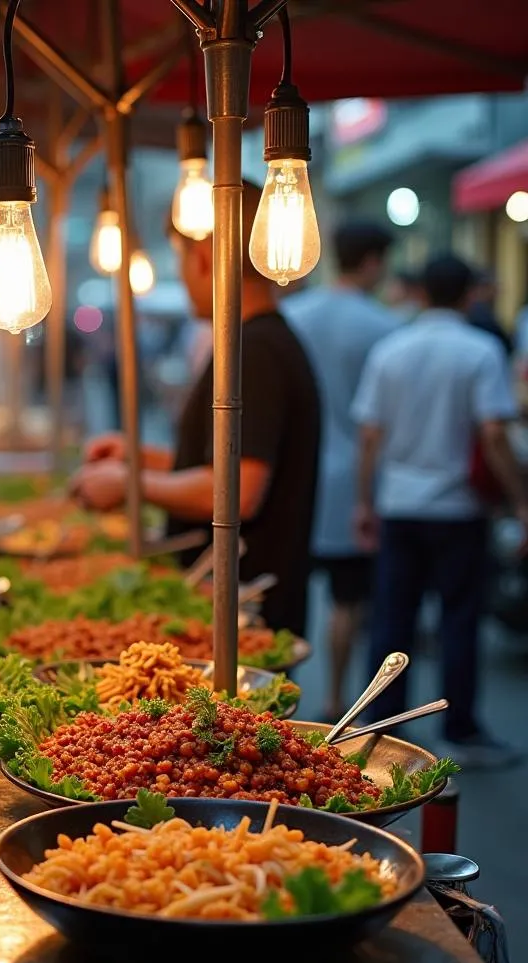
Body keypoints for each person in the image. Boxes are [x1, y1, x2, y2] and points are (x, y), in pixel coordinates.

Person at [72, 181, 321, 637]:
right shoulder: (250, 342)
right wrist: (138, 456)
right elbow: (220, 464)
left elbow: (237, 491)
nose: (183, 274)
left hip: (244, 615)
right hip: (226, 604)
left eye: (182, 258)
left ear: (205, 256)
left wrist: (129, 483)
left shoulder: (257, 350)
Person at [353, 253, 528, 767]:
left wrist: (364, 501)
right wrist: (520, 499)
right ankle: (461, 728)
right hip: (459, 508)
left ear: (420, 292)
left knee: (392, 620)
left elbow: (369, 435)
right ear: (469, 294)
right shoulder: (481, 350)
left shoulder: (390, 350)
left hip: (400, 504)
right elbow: (494, 433)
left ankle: (383, 728)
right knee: (459, 619)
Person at [283, 221, 400, 719]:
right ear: (372, 261)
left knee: (289, 594)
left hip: (296, 474)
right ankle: (335, 697)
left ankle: (280, 694)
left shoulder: (293, 314)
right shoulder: (385, 326)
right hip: (357, 477)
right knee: (346, 601)